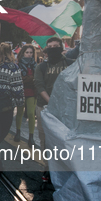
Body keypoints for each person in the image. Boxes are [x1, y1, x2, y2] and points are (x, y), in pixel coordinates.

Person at [34, 37, 74, 183]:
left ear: (61, 47)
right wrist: (52, 102)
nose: (52, 49)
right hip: (45, 108)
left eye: (55, 46)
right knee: (45, 138)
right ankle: (47, 167)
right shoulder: (41, 67)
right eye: (49, 46)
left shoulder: (70, 64)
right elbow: (39, 86)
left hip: (66, 109)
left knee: (65, 139)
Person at [0, 43, 24, 173]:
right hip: (6, 108)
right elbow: (17, 88)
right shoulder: (13, 68)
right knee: (0, 135)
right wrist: (20, 103)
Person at [15, 44, 37, 147]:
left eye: (31, 52)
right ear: (23, 53)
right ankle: (18, 132)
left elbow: (37, 79)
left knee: (31, 114)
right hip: (21, 91)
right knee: (19, 113)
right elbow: (20, 79)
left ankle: (31, 136)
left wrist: (29, 79)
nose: (29, 55)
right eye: (27, 52)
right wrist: (31, 79)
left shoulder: (36, 65)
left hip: (32, 91)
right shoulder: (18, 64)